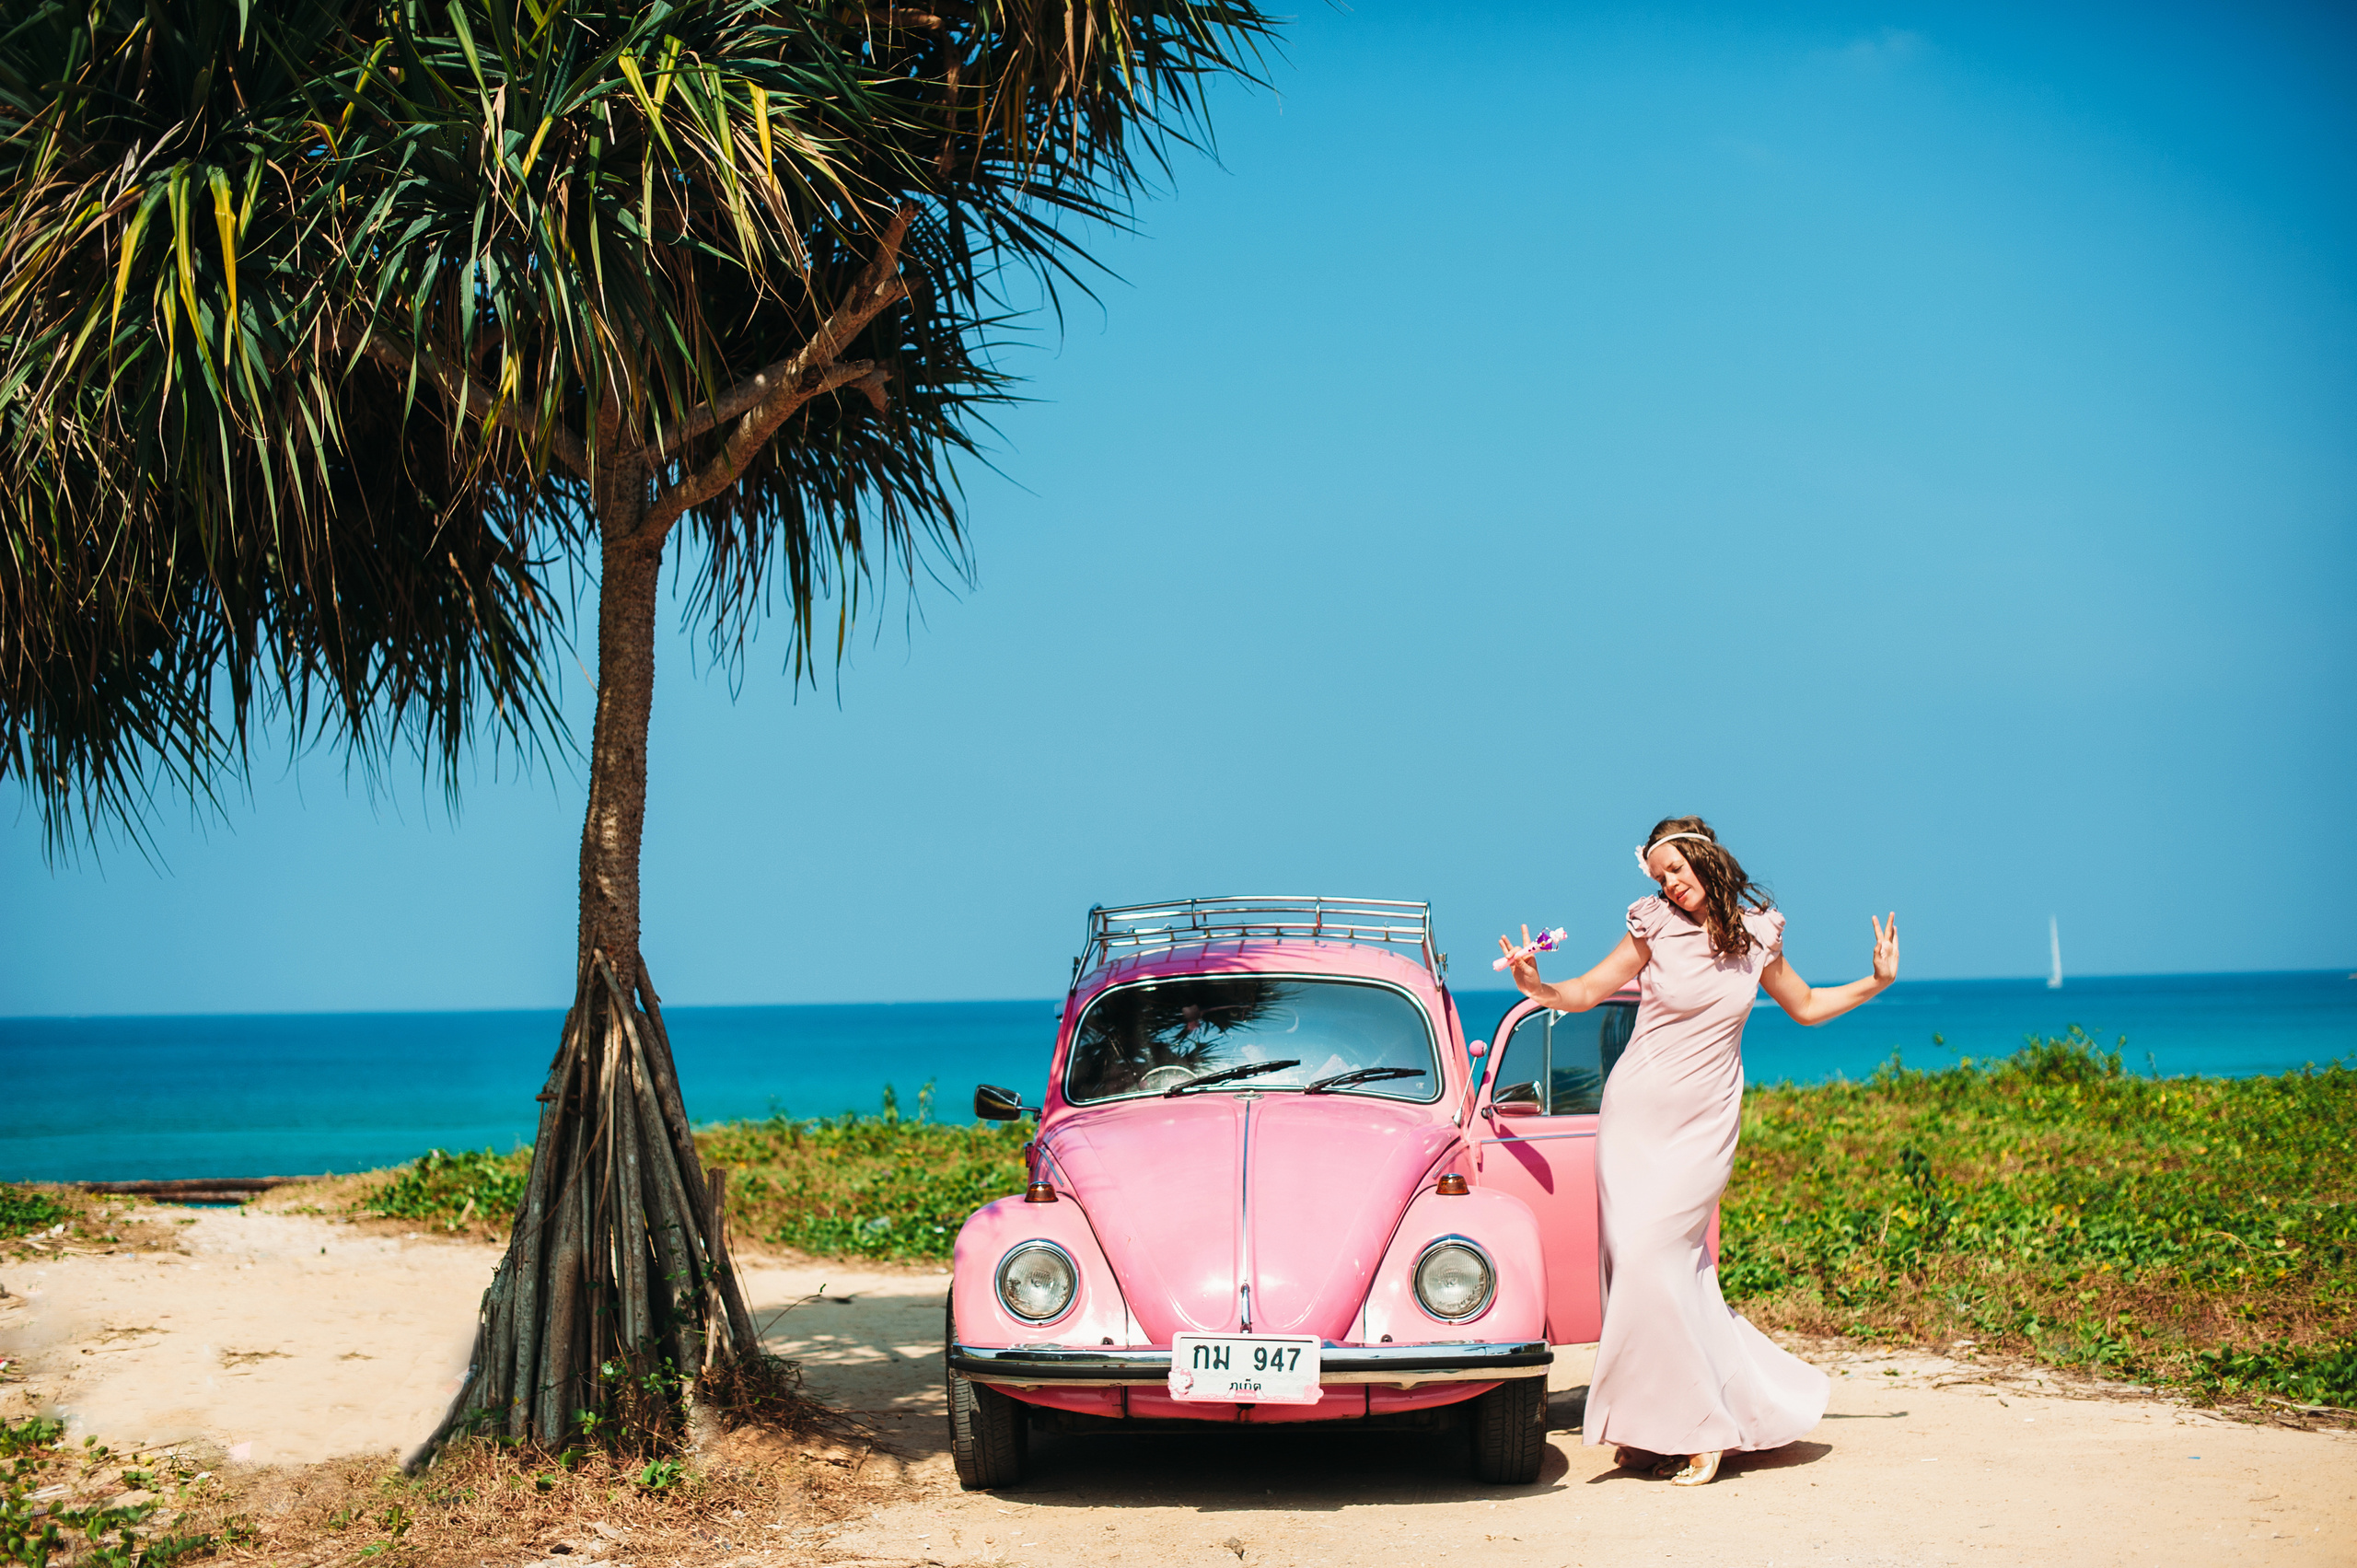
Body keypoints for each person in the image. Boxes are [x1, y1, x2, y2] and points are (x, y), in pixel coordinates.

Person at [1499, 815, 1898, 1487]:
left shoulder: (1759, 935)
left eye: (1676, 870)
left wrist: (1876, 981)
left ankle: (1701, 1425)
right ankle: (1656, 1426)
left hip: (1705, 1122)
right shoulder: (1651, 925)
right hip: (1635, 1116)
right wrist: (1537, 986)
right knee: (1640, 1266)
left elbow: (1804, 1005)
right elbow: (1588, 991)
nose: (1670, 885)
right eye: (1660, 877)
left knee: (1661, 1258)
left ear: (1705, 860)